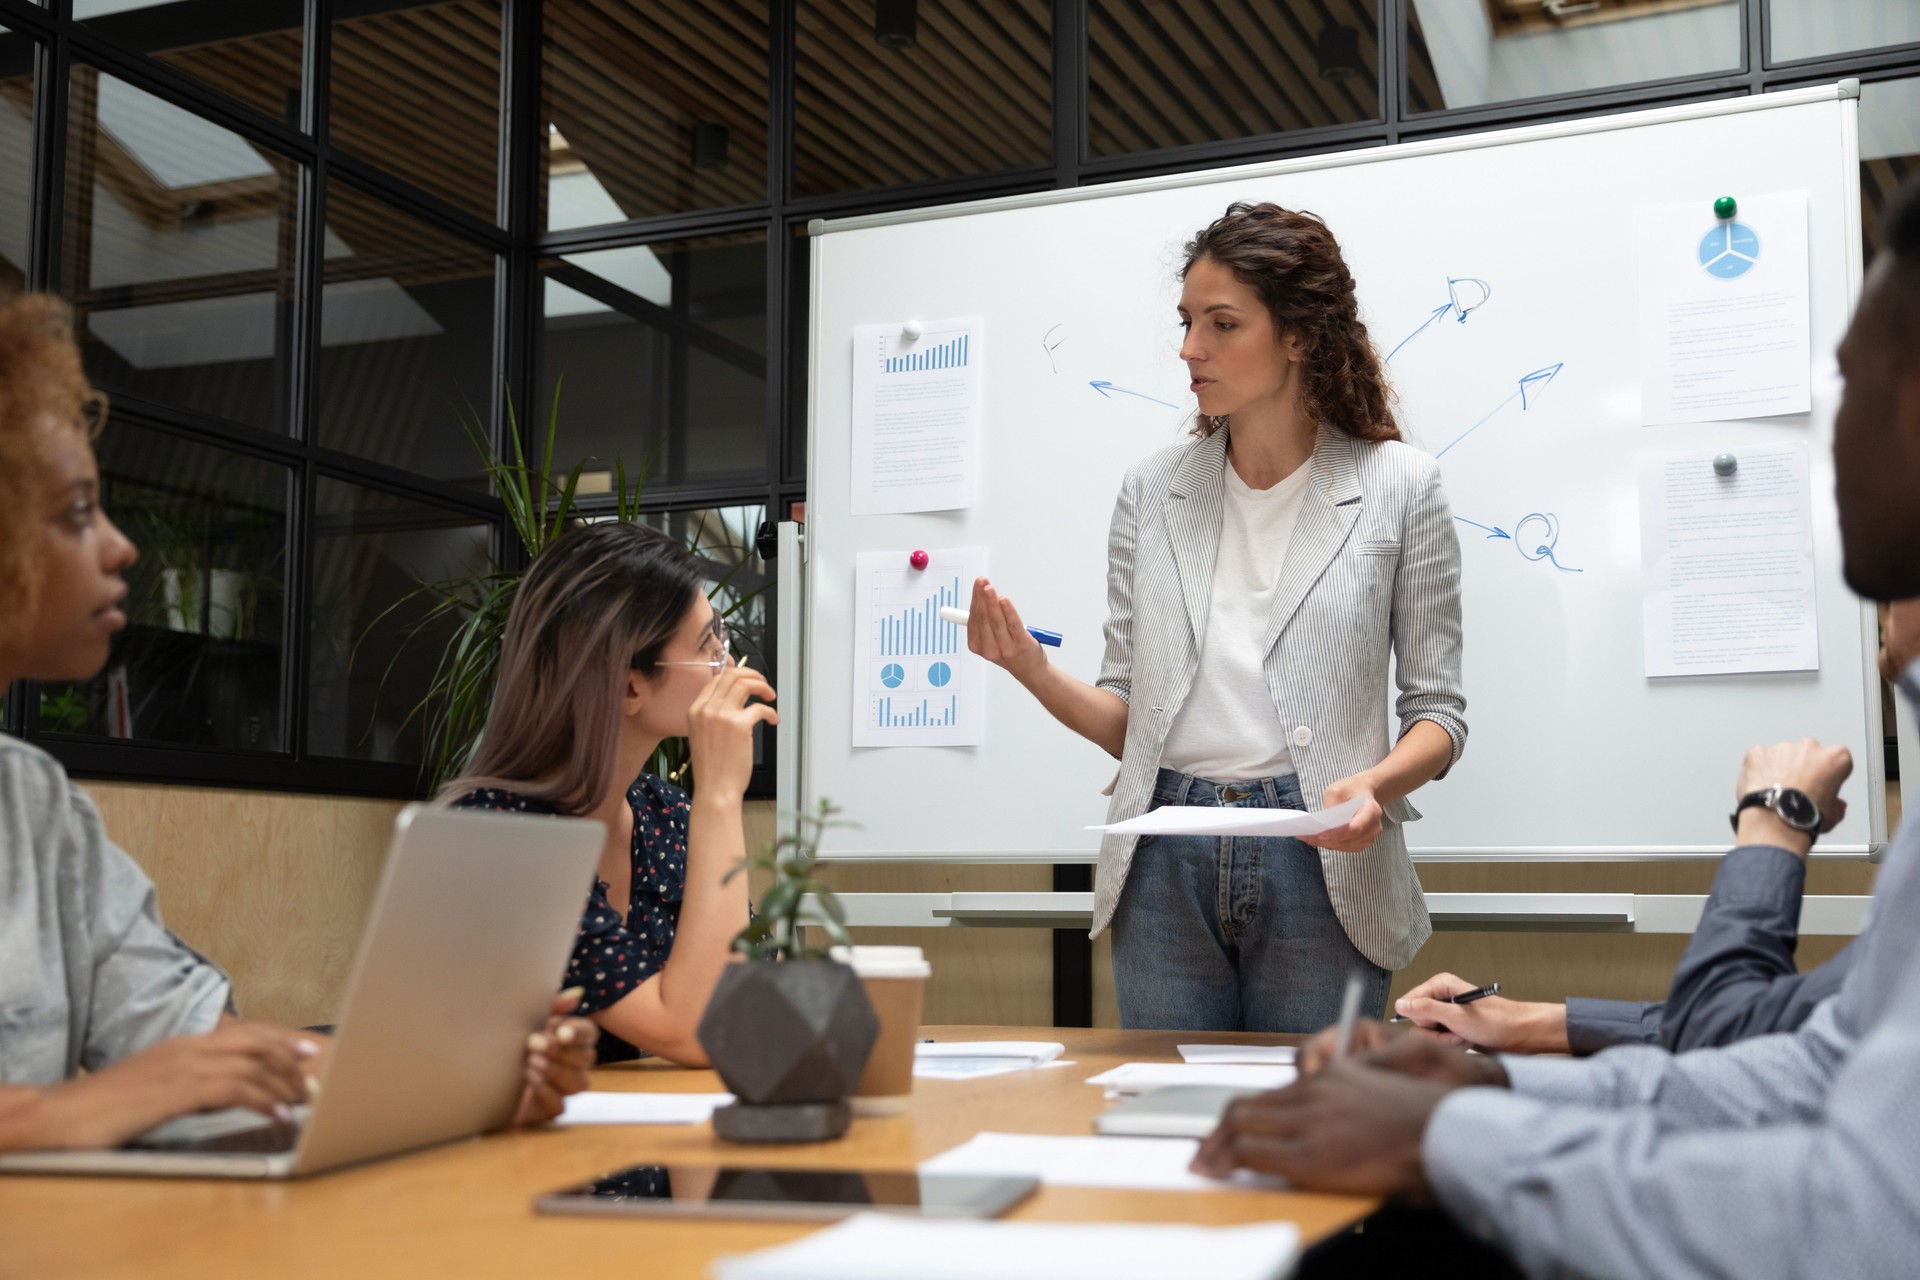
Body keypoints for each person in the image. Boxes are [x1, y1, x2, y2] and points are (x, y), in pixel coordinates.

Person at [1195, 173, 1920, 1279]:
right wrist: (1499, 1077)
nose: (1832, 438)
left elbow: (1860, 1213)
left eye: (1852, 384)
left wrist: (1465, 1126)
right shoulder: (1165, 492)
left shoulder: (1397, 485)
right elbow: (1816, 1068)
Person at [0, 293, 596, 1153]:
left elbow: (199, 1052)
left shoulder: (40, 808)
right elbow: (159, 1081)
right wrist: (66, 1114)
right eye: (77, 512)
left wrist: (461, 1076)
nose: (122, 546)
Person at [967, 201, 1467, 1032]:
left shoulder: (1401, 486)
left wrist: (1374, 787)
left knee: (1314, 1133)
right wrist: (1029, 667)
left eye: (1222, 324)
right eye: (1187, 322)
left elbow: (1439, 716)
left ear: (1299, 336)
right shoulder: (1153, 490)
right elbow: (1129, 719)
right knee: (1174, 1139)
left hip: (1324, 860)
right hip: (1161, 858)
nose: (1190, 348)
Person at [446, 520, 771, 1067]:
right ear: (627, 684)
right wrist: (719, 794)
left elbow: (753, 1003)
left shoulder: (667, 815)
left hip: (631, 1139)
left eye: (720, 635)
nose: (726, 662)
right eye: (705, 644)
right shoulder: (501, 836)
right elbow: (697, 1031)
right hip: (503, 1150)